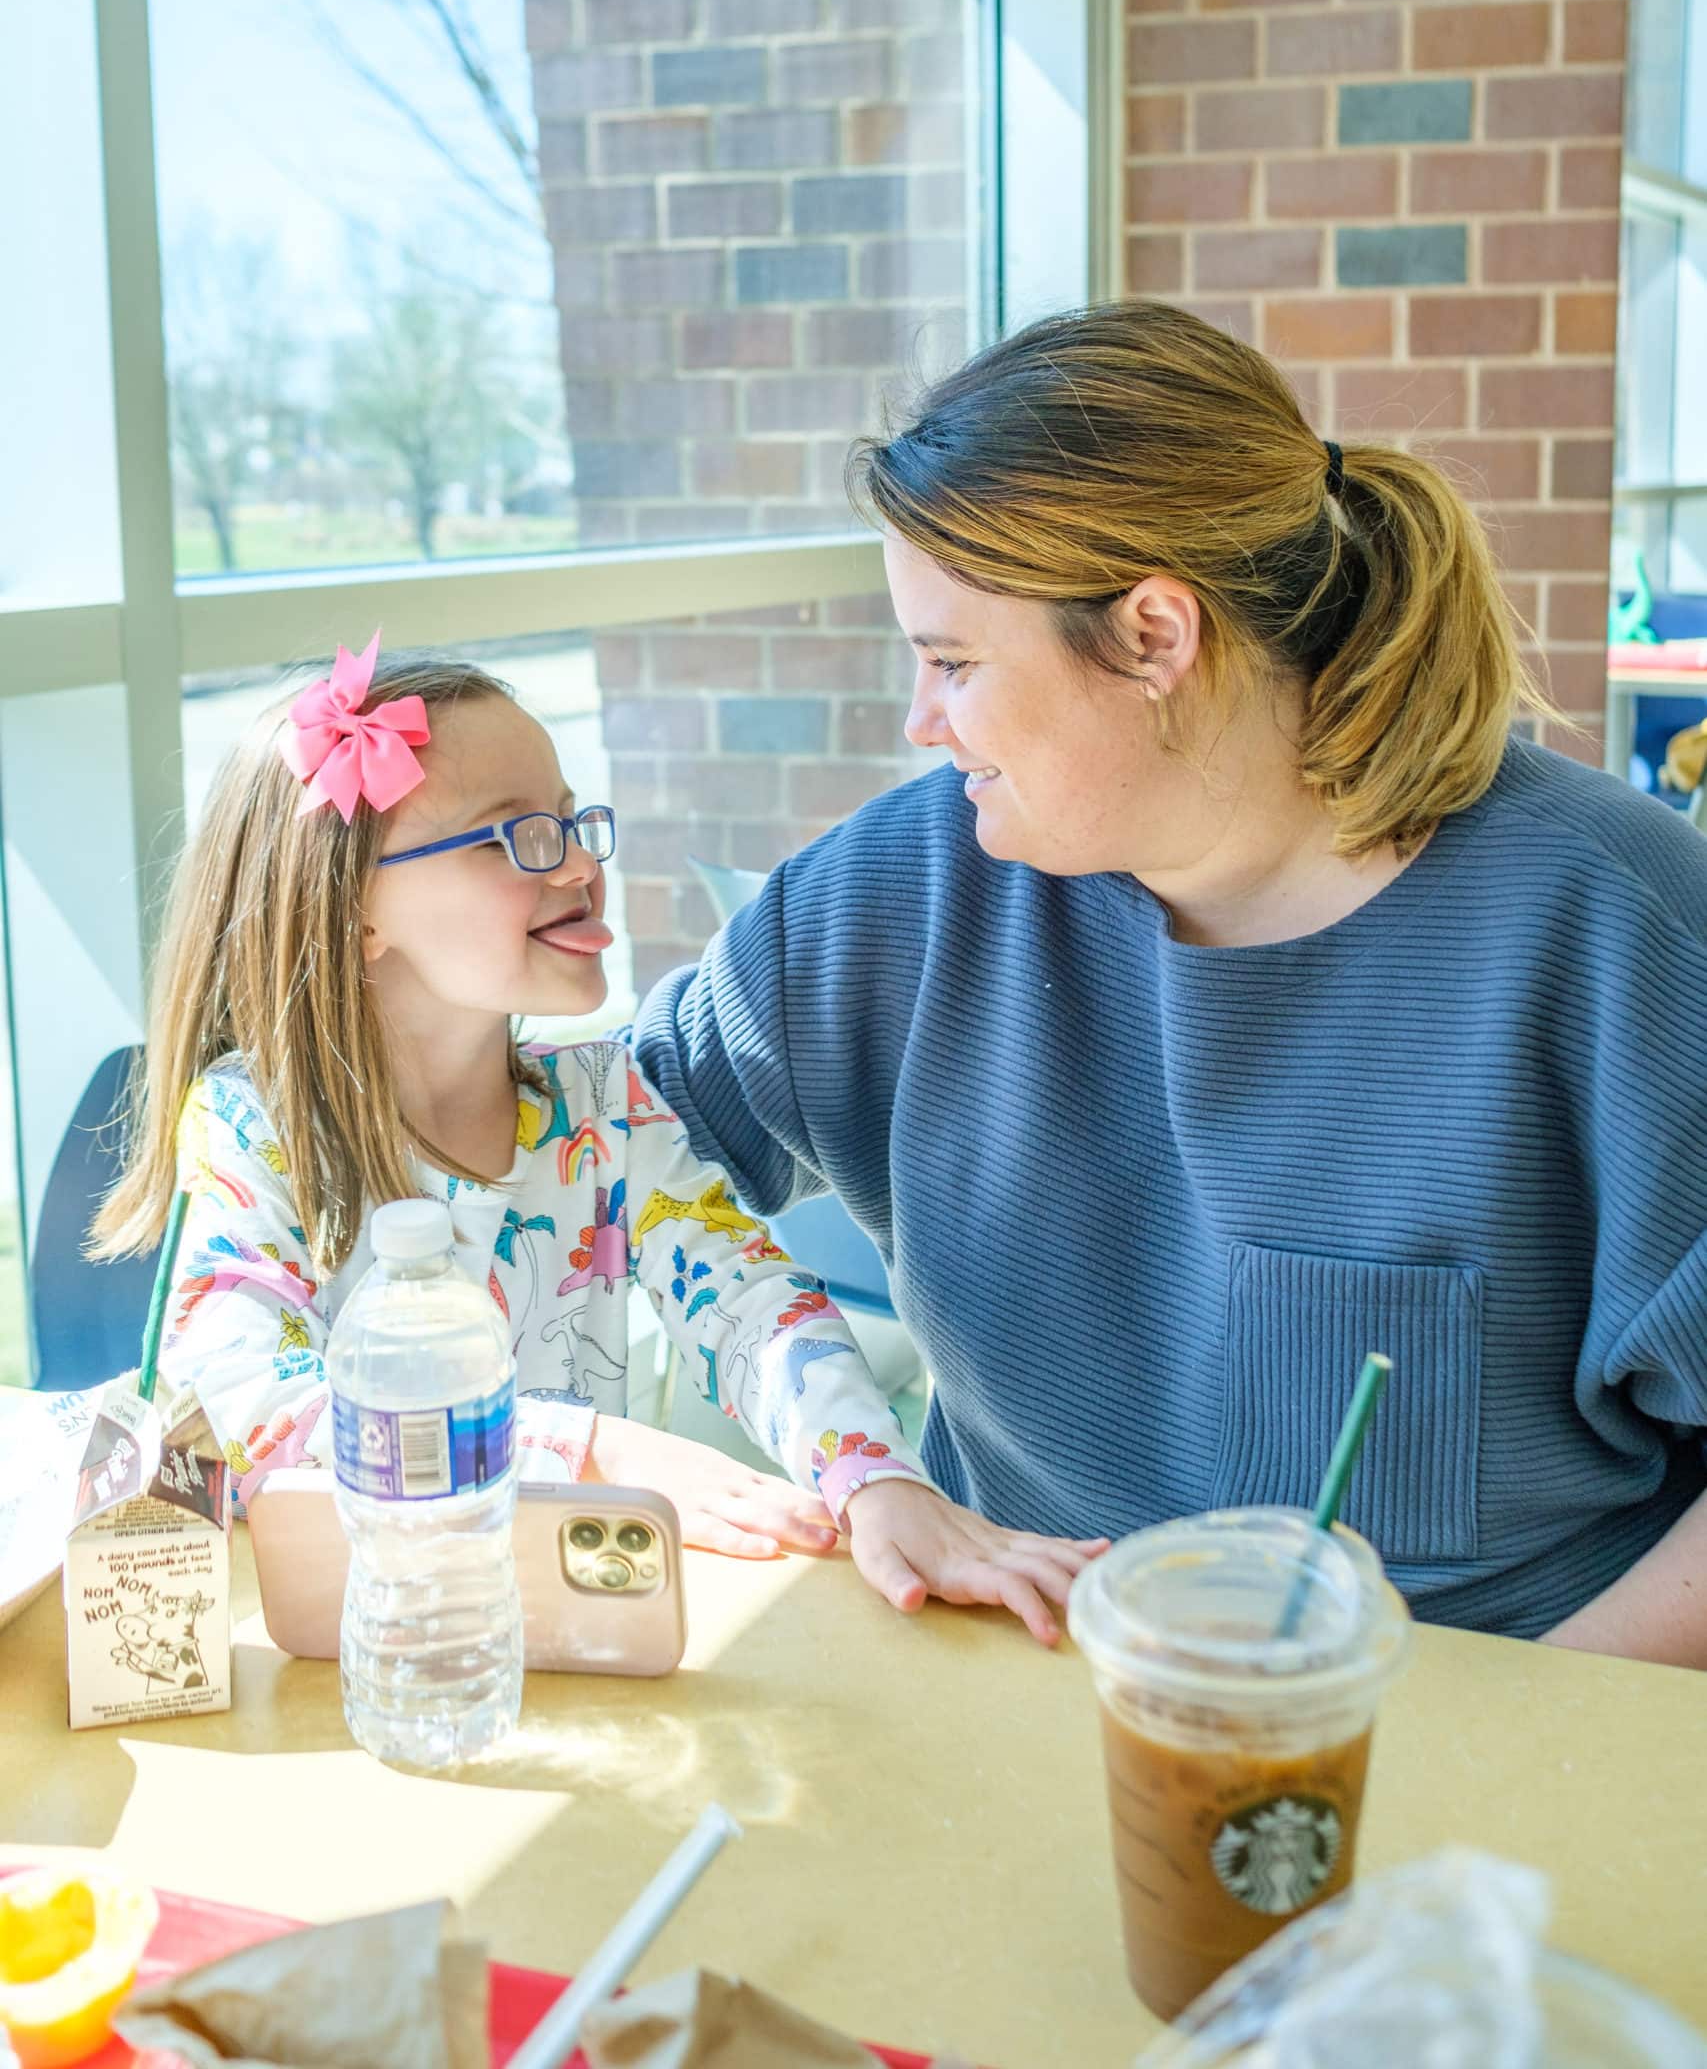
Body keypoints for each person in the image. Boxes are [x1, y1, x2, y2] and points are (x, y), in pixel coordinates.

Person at [634, 300, 1707, 1668]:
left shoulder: (1616, 932)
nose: (920, 721)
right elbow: (582, 1148)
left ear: (1152, 634)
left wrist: (1503, 1736)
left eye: (954, 662)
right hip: (1004, 1710)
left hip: (1473, 1777)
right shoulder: (909, 889)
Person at [95, 636, 1101, 1639]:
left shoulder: (607, 1103)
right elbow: (254, 1412)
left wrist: (875, 1480)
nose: (578, 862)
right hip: (365, 1654)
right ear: (357, 910)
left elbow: (751, 1305)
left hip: (581, 1630)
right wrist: (598, 1453)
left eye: (573, 820)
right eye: (513, 835)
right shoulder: (252, 1131)